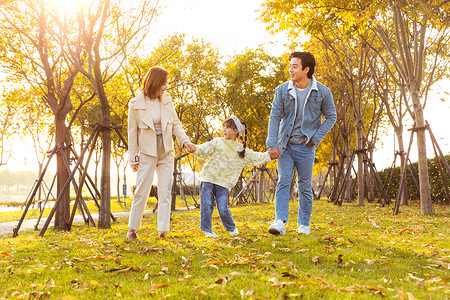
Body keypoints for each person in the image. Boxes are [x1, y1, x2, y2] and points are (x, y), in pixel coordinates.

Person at [266, 51, 336, 236]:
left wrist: (315, 138)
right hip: (285, 145)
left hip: (306, 146)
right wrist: (272, 144)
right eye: (290, 66)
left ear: (306, 69)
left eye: (294, 66)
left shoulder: (323, 92)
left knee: (304, 185)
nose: (290, 69)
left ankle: (304, 224)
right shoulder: (282, 90)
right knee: (283, 181)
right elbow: (274, 117)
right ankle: (279, 222)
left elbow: (331, 117)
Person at [127, 66, 195, 240]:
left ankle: (163, 230)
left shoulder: (166, 99)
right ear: (155, 82)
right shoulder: (135, 104)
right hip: (147, 153)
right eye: (163, 83)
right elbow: (132, 133)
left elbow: (175, 124)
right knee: (142, 190)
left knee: (165, 190)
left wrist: (185, 141)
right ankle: (132, 229)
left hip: (166, 151)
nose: (166, 86)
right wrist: (134, 158)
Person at [188, 116, 273, 237]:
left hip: (223, 184)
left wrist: (269, 155)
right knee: (206, 205)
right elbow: (204, 149)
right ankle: (208, 231)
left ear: (236, 131)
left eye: (227, 127)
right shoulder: (217, 142)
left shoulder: (241, 150)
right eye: (224, 127)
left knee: (223, 208)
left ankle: (231, 228)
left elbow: (256, 157)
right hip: (208, 179)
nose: (224, 130)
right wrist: (194, 148)